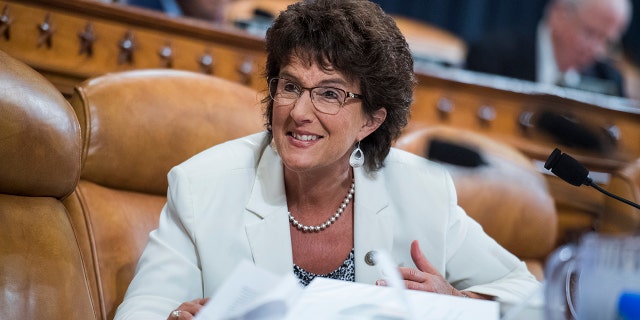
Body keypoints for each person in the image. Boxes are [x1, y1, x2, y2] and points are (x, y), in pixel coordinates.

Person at [114, 1, 540, 319]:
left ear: (370, 120)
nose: (300, 111)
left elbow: (527, 294)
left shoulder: (422, 191)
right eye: (291, 86)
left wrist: (457, 304)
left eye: (330, 94)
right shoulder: (201, 185)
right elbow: (143, 309)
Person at [465, 0, 632, 97]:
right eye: (590, 33)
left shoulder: (608, 81)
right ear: (558, 15)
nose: (598, 50)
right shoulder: (493, 55)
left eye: (608, 41)